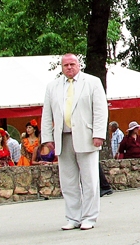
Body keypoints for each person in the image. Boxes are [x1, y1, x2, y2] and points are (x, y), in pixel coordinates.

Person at [41, 53, 108, 231]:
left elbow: (100, 110)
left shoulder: (92, 82)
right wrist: (47, 138)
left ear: (79, 65)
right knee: (68, 181)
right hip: (62, 137)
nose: (69, 68)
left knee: (90, 179)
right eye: (65, 65)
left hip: (86, 136)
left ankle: (89, 217)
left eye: (72, 64)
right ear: (61, 68)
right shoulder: (52, 87)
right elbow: (46, 114)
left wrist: (99, 133)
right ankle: (73, 217)